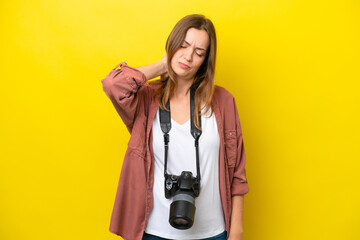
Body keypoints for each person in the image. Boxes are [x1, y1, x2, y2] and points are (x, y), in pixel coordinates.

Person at [101, 14, 249, 240]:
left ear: (205, 60)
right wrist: (162, 64)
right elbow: (113, 84)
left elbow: (237, 174)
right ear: (172, 44)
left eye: (199, 53)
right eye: (183, 45)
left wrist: (236, 231)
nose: (188, 57)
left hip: (213, 232)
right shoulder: (146, 100)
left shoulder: (224, 101)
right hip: (155, 231)